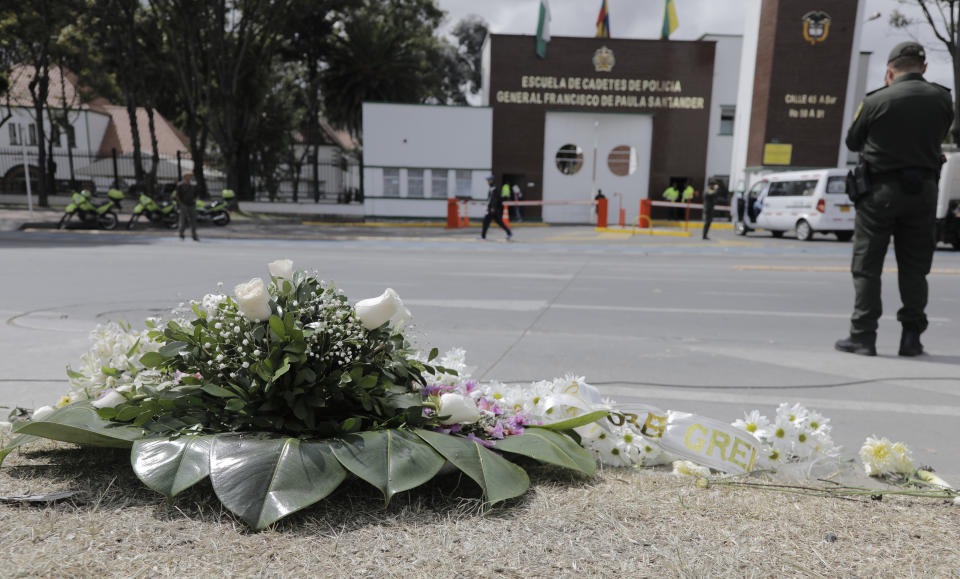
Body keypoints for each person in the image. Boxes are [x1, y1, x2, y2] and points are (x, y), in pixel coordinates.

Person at [835, 41, 953, 357]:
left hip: (879, 193)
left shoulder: (877, 101)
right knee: (915, 268)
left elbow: (853, 139)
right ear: (923, 67)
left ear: (890, 71)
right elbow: (940, 133)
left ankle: (863, 336)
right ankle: (911, 339)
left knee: (867, 266)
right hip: (924, 192)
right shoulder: (942, 99)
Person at [479, 175, 512, 240]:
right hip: (492, 209)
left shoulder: (494, 189)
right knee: (499, 222)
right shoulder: (491, 188)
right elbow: (490, 199)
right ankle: (509, 233)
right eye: (487, 180)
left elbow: (495, 199)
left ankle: (483, 236)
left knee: (486, 221)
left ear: (492, 180)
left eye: (489, 180)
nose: (488, 182)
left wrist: (493, 207)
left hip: (493, 209)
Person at [174, 171, 199, 241]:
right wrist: (180, 203)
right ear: (185, 177)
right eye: (188, 176)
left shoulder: (193, 185)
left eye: (191, 176)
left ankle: (194, 235)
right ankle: (181, 234)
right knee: (183, 220)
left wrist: (195, 200)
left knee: (193, 220)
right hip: (184, 204)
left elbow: (196, 194)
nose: (190, 177)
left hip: (192, 204)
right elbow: (177, 195)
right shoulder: (180, 185)